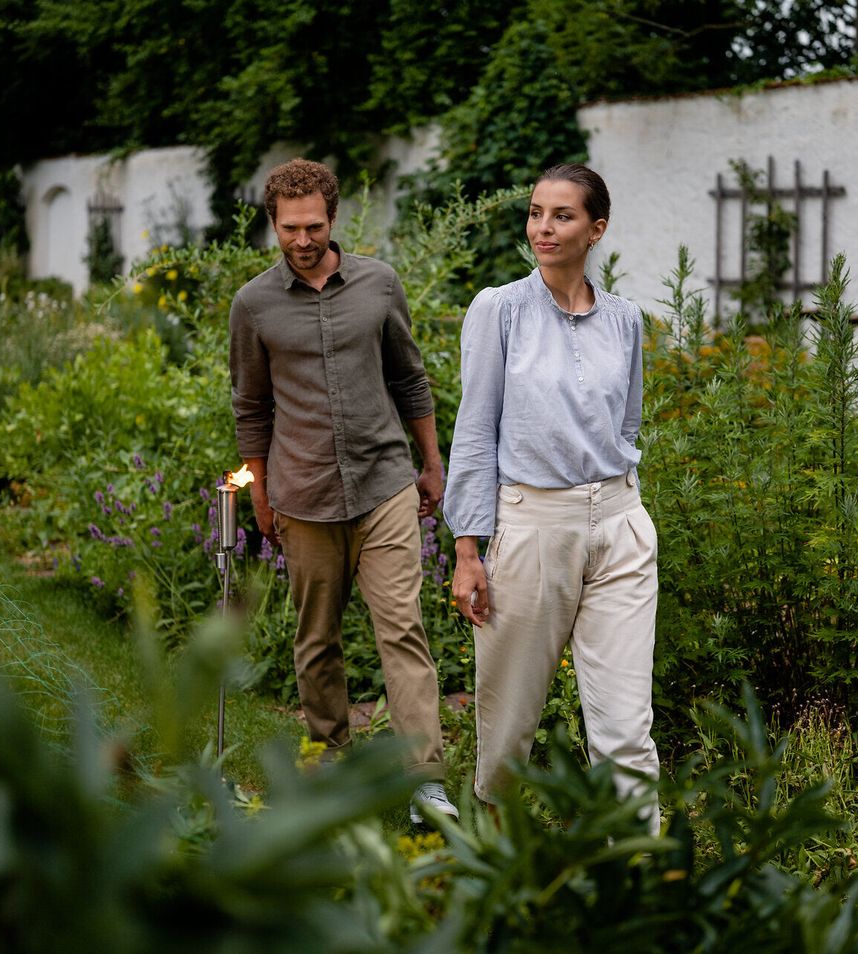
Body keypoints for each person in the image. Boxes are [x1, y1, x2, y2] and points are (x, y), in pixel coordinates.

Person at [229, 158, 457, 824]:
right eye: (290, 228)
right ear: (273, 225)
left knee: (403, 631)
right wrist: (261, 496)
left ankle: (424, 782)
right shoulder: (253, 305)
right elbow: (251, 407)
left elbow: (409, 378)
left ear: (333, 218)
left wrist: (432, 462)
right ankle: (331, 763)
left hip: (384, 483)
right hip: (302, 495)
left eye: (314, 226)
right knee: (317, 639)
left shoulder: (379, 283)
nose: (303, 240)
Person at [443, 163, 659, 833]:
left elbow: (627, 424)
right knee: (509, 720)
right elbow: (474, 432)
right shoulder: (500, 310)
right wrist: (468, 549)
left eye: (562, 216)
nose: (543, 227)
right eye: (536, 212)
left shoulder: (625, 320)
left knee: (626, 723)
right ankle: (494, 852)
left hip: (620, 527)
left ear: (596, 229)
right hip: (532, 525)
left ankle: (638, 865)